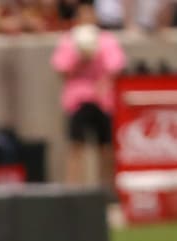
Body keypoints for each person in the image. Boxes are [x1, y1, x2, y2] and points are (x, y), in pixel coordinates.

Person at [52, 0, 125, 189]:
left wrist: (95, 53)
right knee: (76, 147)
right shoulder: (68, 40)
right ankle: (74, 189)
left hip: (103, 100)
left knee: (106, 149)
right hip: (78, 100)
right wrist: (80, 58)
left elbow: (116, 66)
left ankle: (107, 189)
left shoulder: (106, 40)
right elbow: (60, 68)